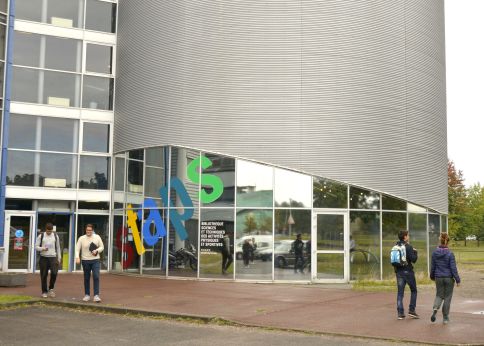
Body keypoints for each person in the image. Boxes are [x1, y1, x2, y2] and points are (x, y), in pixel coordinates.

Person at [430, 233, 461, 324]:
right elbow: (453, 268)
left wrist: (432, 276)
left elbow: (433, 267)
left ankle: (435, 308)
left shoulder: (435, 253)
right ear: (448, 242)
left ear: (440, 240)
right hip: (448, 278)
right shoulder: (450, 254)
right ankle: (445, 318)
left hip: (438, 277)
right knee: (447, 297)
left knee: (439, 295)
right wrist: (457, 280)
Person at [75, 224, 104, 302]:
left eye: (90, 230)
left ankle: (96, 295)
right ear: (85, 230)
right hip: (85, 260)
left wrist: (97, 250)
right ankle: (87, 295)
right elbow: (77, 248)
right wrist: (77, 257)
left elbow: (102, 247)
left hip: (95, 260)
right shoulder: (81, 238)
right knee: (86, 278)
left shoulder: (97, 237)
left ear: (92, 230)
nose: (88, 231)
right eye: (87, 230)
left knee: (96, 276)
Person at [394, 230, 419, 320]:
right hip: (408, 272)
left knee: (400, 293)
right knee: (414, 290)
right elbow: (414, 260)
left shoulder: (396, 246)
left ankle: (400, 313)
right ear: (405, 237)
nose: (408, 236)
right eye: (408, 235)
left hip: (399, 272)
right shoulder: (408, 247)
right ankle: (411, 311)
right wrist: (415, 252)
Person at [35, 223, 61, 298]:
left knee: (54, 273)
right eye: (47, 231)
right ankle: (44, 291)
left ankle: (51, 288)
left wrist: (59, 258)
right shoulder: (41, 236)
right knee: (43, 275)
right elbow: (36, 247)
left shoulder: (55, 236)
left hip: (53, 257)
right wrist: (42, 248)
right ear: (45, 229)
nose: (49, 232)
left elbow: (58, 247)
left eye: (50, 231)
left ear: (52, 230)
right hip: (44, 257)